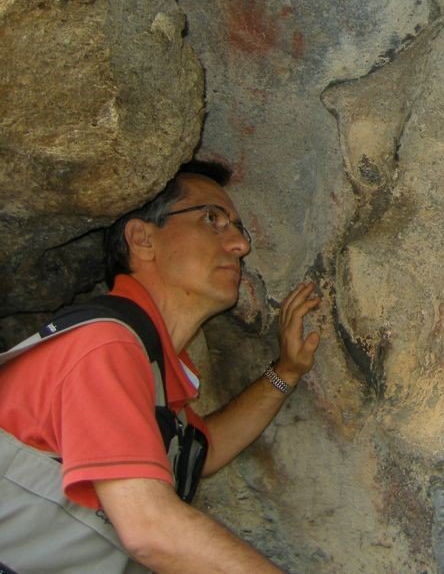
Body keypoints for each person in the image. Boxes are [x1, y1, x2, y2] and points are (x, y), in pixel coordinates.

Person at [0, 160, 321, 572]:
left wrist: (286, 371)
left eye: (239, 229)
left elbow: (199, 454)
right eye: (212, 219)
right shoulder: (105, 346)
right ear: (142, 239)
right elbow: (151, 530)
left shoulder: (148, 366)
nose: (240, 245)